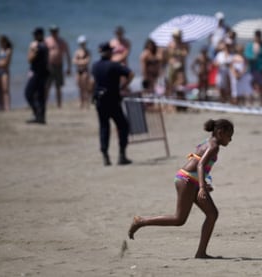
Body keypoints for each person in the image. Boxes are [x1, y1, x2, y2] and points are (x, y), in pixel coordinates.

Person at [128, 118, 234, 259]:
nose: (231, 139)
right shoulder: (214, 146)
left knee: (212, 214)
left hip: (190, 180)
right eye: (229, 136)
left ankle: (201, 253)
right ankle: (141, 221)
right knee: (179, 219)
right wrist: (201, 186)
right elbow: (200, 165)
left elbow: (197, 160)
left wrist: (202, 182)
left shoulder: (209, 141)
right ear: (220, 133)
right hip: (187, 180)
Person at [91, 42, 134, 166]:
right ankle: (122, 155)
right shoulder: (114, 65)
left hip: (99, 100)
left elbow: (93, 82)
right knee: (123, 126)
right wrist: (123, 86)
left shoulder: (95, 66)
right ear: (109, 52)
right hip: (113, 100)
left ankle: (105, 156)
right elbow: (131, 74)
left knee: (104, 128)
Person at [24, 27, 49, 124]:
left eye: (35, 35)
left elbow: (29, 59)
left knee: (28, 93)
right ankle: (40, 116)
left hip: (37, 74)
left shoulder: (38, 46)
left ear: (40, 35)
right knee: (40, 96)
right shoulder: (45, 45)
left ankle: (38, 114)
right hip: (43, 74)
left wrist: (32, 49)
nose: (33, 36)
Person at [45, 25, 71, 108]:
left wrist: (69, 67)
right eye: (52, 31)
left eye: (55, 31)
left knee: (58, 86)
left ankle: (59, 105)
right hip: (49, 65)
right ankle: (44, 104)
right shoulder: (47, 41)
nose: (54, 32)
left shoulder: (62, 41)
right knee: (47, 86)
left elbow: (67, 55)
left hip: (59, 65)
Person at [244, 30, 262, 106]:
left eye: (259, 36)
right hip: (252, 68)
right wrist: (253, 57)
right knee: (251, 86)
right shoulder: (250, 45)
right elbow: (246, 55)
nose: (258, 38)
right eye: (257, 36)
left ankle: (261, 103)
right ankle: (251, 103)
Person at [166, 29, 189, 97]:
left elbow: (185, 53)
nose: (178, 38)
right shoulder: (171, 44)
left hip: (180, 66)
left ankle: (180, 99)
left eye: (178, 36)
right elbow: (168, 56)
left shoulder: (183, 45)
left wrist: (177, 52)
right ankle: (173, 98)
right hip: (173, 67)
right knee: (171, 82)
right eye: (176, 36)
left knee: (181, 82)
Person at [0, 35, 13, 111]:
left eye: (2, 42)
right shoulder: (0, 50)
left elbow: (6, 63)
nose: (0, 43)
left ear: (5, 42)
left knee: (5, 89)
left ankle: (7, 107)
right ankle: (0, 107)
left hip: (5, 71)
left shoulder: (8, 50)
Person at [72, 35, 92, 109]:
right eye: (81, 43)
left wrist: (79, 61)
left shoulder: (87, 51)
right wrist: (81, 62)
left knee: (86, 87)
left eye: (83, 43)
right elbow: (74, 61)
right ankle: (81, 102)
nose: (82, 44)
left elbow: (87, 61)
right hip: (78, 71)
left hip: (85, 71)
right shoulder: (77, 52)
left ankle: (87, 102)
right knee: (80, 87)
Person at [214, 38, 234, 103]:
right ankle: (222, 101)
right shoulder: (220, 54)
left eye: (228, 46)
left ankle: (227, 100)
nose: (227, 47)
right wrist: (220, 64)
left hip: (229, 74)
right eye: (226, 46)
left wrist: (228, 64)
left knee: (228, 88)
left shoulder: (232, 55)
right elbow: (215, 63)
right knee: (220, 87)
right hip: (221, 73)